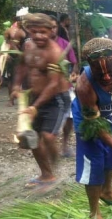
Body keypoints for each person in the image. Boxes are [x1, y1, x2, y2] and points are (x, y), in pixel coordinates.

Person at [72, 37, 112, 219]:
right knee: (95, 161)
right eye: (100, 76)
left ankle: (107, 191)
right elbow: (96, 125)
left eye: (109, 72)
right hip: (89, 122)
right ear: (91, 68)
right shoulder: (84, 86)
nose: (107, 77)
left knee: (110, 156)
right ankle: (94, 212)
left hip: (110, 112)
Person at [11, 13, 71, 187]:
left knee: (48, 136)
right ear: (28, 30)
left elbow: (53, 85)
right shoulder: (28, 46)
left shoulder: (54, 52)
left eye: (43, 32)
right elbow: (22, 65)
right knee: (32, 138)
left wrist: (34, 107)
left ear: (51, 31)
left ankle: (56, 165)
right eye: (35, 31)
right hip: (34, 97)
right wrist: (16, 86)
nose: (39, 36)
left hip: (56, 99)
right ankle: (47, 175)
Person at [49, 16, 79, 158]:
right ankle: (49, 146)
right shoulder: (39, 45)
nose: (51, 30)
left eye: (54, 27)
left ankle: (65, 145)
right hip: (47, 89)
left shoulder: (65, 44)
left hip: (65, 86)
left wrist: (74, 72)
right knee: (51, 118)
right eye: (49, 27)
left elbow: (74, 63)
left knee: (71, 116)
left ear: (57, 28)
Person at [4, 8, 29, 106]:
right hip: (14, 57)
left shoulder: (28, 29)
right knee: (13, 79)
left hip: (24, 57)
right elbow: (9, 44)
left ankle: (26, 100)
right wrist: (19, 54)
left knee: (25, 78)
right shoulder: (12, 30)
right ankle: (11, 100)